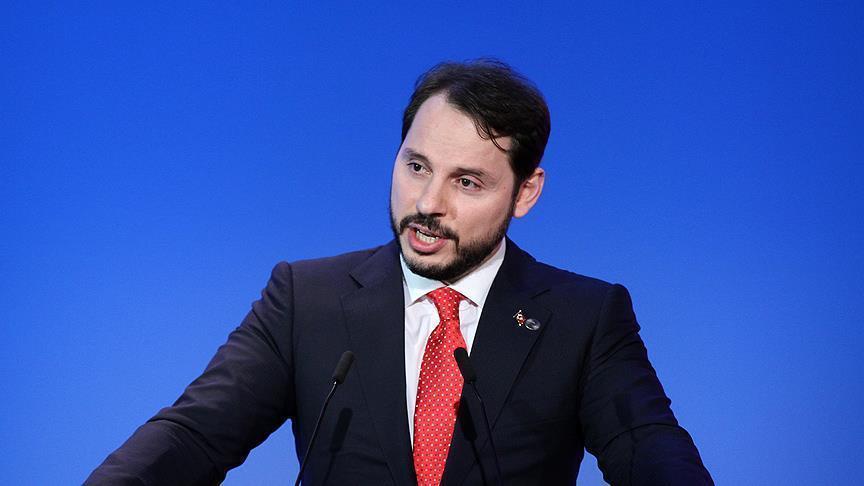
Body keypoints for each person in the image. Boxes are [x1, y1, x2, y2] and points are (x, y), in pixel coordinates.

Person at [86, 59, 713, 485]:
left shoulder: (584, 317)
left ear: (525, 193)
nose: (428, 203)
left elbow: (649, 448)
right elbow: (194, 435)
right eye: (416, 166)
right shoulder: (307, 300)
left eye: (467, 182)